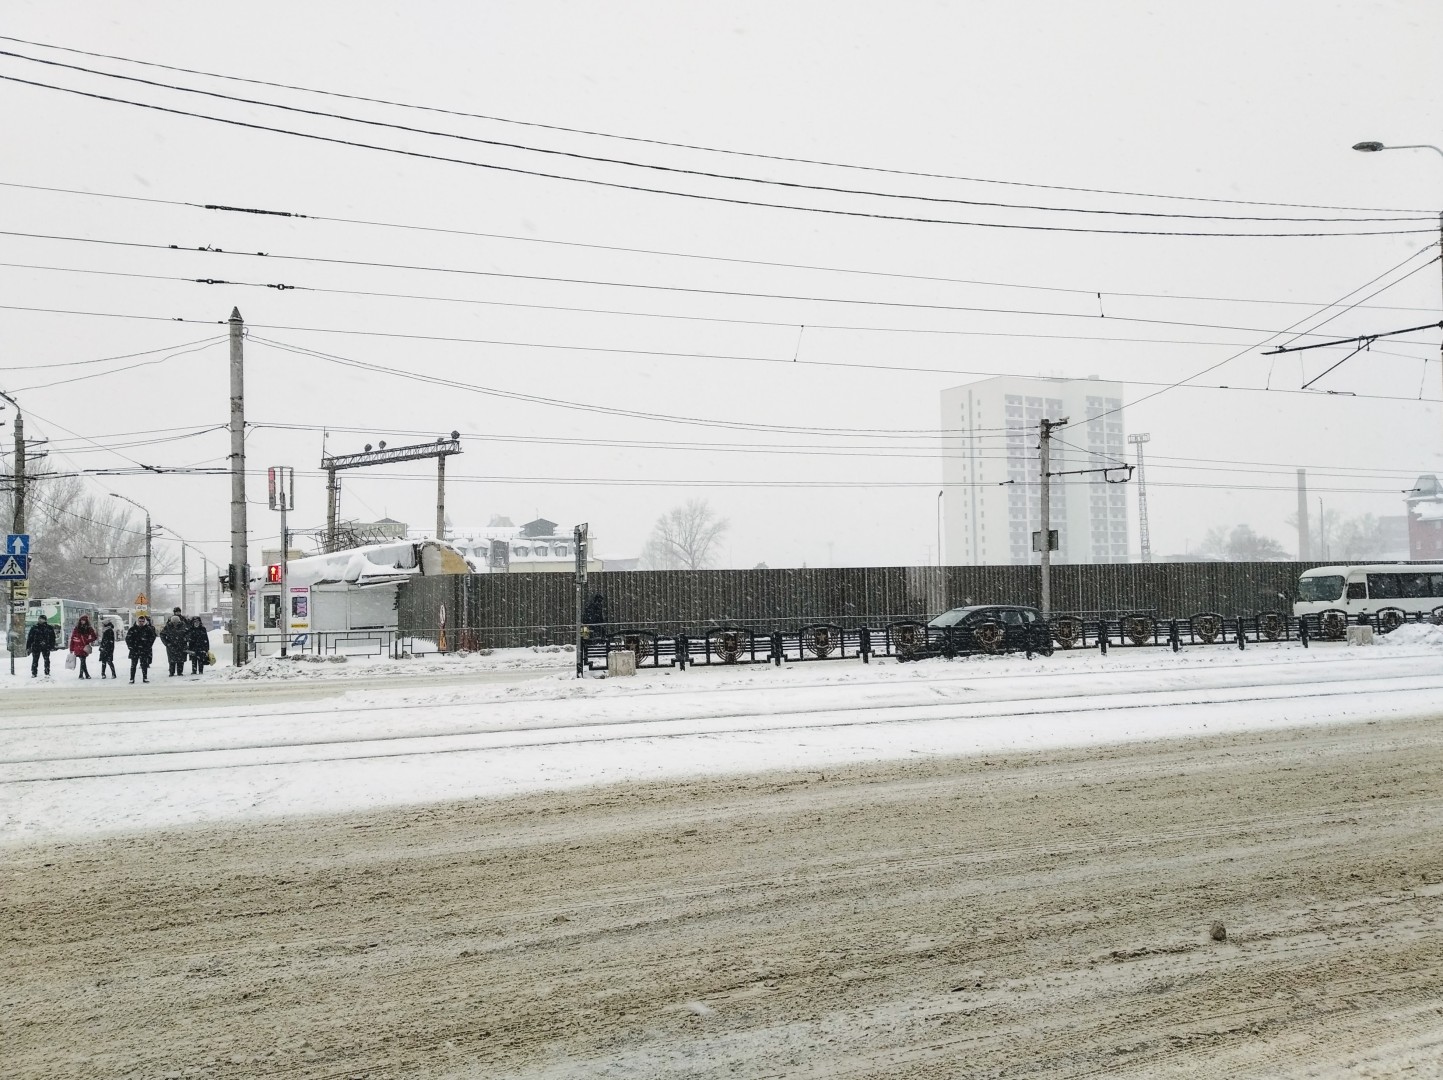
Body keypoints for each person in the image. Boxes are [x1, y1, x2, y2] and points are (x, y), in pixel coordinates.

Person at [25, 613, 58, 678]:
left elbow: (52, 637)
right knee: (35, 660)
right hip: (36, 646)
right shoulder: (34, 628)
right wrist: (28, 646)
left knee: (46, 659)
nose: (40, 620)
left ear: (45, 620)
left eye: (42, 619)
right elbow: (30, 638)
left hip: (46, 646)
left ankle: (47, 671)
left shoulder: (49, 628)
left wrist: (52, 645)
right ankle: (34, 673)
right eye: (39, 619)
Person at [125, 615, 156, 683]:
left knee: (144, 664)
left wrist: (148, 645)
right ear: (137, 621)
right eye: (140, 621)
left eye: (142, 621)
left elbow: (152, 637)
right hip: (134, 649)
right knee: (133, 665)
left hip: (144, 649)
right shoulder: (132, 629)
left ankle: (145, 678)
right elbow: (128, 638)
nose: (141, 622)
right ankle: (132, 678)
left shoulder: (148, 629)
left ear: (144, 621)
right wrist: (130, 646)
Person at [69, 614, 99, 680]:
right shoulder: (77, 628)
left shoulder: (89, 628)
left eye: (84, 620)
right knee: (83, 660)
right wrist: (71, 648)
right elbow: (72, 638)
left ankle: (85, 675)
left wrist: (88, 640)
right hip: (78, 647)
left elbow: (94, 637)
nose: (82, 622)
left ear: (86, 621)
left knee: (83, 660)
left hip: (84, 647)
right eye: (81, 620)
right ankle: (82, 675)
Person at [161, 607, 188, 677]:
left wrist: (185, 639)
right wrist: (167, 643)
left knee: (180, 660)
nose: (175, 624)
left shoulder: (183, 625)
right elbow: (162, 634)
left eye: (176, 622)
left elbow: (188, 633)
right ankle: (171, 672)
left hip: (181, 645)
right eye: (173, 622)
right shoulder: (168, 626)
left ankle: (180, 672)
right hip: (171, 645)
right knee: (171, 660)